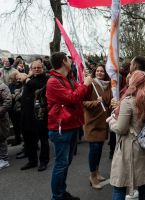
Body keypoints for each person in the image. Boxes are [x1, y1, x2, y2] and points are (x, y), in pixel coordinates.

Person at [47, 52, 93, 200]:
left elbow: (82, 95)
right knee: (61, 164)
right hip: (61, 128)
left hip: (72, 125)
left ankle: (62, 192)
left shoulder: (69, 77)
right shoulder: (53, 81)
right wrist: (84, 84)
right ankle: (57, 196)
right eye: (68, 59)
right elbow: (71, 98)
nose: (71, 61)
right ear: (63, 61)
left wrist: (88, 84)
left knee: (66, 163)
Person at [107, 71, 145, 200]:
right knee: (144, 184)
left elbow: (121, 128)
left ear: (133, 83)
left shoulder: (128, 102)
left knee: (119, 185)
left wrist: (112, 122)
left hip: (129, 149)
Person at [83, 64, 112, 190]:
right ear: (95, 72)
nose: (100, 73)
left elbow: (109, 101)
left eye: (102, 71)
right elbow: (83, 102)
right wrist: (96, 102)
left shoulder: (109, 85)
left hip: (103, 121)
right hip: (93, 122)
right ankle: (92, 176)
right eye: (98, 71)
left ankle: (97, 171)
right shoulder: (90, 84)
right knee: (94, 149)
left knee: (99, 149)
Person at [19, 61, 50, 171]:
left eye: (39, 67)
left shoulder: (46, 79)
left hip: (39, 115)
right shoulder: (30, 78)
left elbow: (39, 87)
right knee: (29, 139)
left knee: (43, 139)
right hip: (27, 114)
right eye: (34, 68)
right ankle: (32, 161)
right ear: (31, 69)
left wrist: (27, 80)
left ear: (43, 68)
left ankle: (44, 161)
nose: (37, 69)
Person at [0, 79, 11, 169]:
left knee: (1, 138)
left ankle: (4, 160)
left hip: (1, 118)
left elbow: (8, 102)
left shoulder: (2, 86)